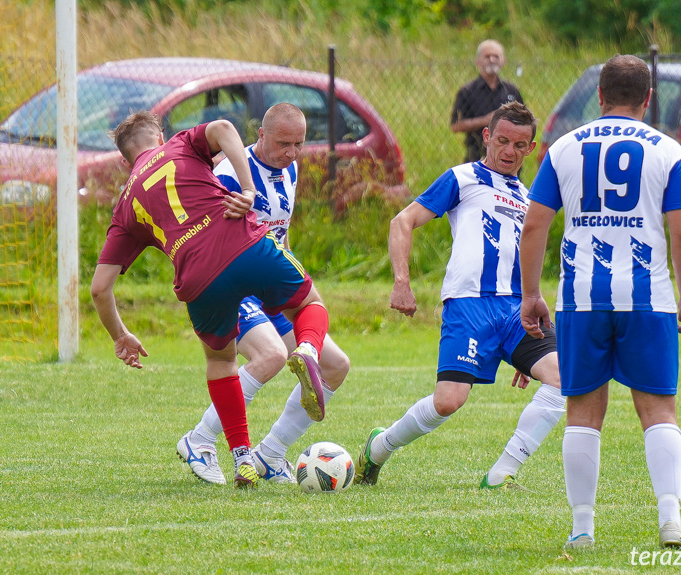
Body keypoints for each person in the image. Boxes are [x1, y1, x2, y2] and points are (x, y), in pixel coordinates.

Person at [91, 111, 331, 489]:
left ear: (124, 161)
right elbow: (223, 128)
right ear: (160, 137)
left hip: (198, 280)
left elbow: (99, 288)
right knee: (308, 304)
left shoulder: (125, 206)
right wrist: (249, 191)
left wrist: (120, 335)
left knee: (222, 361)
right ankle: (308, 349)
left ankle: (243, 458)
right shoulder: (179, 145)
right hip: (244, 246)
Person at [519, 55, 681, 550]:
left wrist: (531, 294)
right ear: (648, 99)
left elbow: (534, 225)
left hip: (582, 297)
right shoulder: (668, 151)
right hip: (648, 299)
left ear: (599, 96)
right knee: (659, 408)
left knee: (582, 410)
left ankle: (582, 528)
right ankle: (670, 520)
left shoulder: (562, 149)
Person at [353, 101, 565, 491]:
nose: (508, 152)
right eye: (502, 141)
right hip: (469, 306)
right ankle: (379, 447)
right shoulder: (462, 178)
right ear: (486, 137)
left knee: (561, 377)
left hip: (516, 310)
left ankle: (501, 475)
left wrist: (530, 321)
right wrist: (402, 281)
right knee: (448, 401)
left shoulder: (529, 198)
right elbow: (403, 221)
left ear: (530, 149)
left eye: (519, 146)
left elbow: (527, 258)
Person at [177, 103, 350, 485]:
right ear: (260, 135)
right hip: (233, 286)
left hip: (269, 282)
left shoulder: (291, 166)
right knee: (270, 355)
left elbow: (279, 232)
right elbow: (209, 238)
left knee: (336, 366)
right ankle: (199, 439)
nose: (291, 153)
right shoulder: (227, 174)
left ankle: (270, 455)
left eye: (299, 145)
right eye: (283, 143)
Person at [450, 39, 524, 163]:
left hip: (508, 157)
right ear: (478, 62)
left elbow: (524, 121)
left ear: (503, 61)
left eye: (496, 56)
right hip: (476, 155)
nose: (492, 60)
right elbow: (455, 125)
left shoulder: (512, 91)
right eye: (487, 56)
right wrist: (485, 121)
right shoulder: (467, 91)